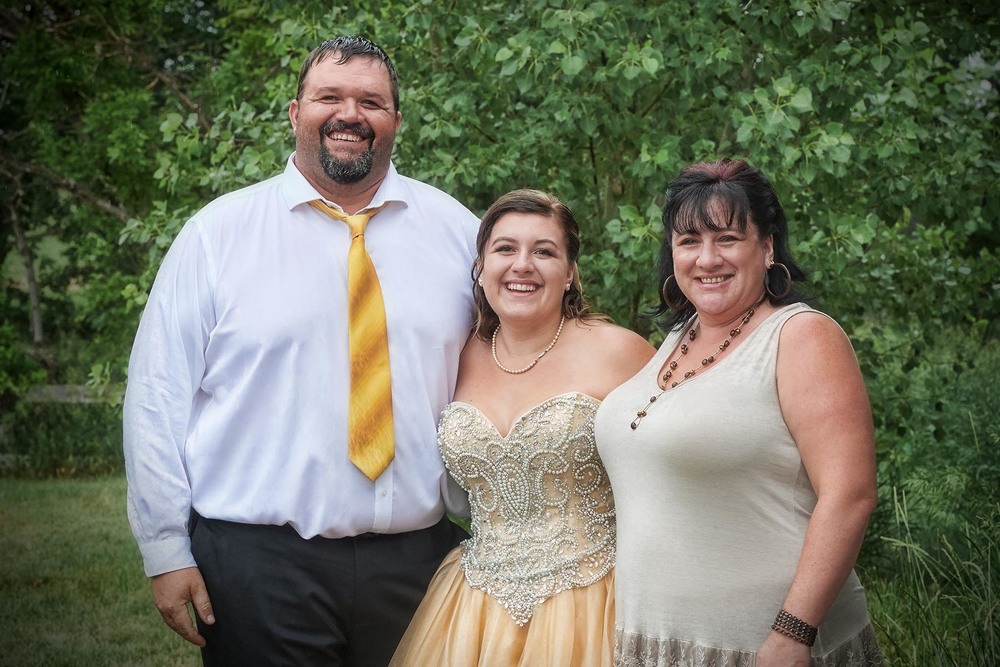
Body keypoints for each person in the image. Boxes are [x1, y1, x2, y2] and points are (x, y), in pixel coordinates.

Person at [123, 36, 479, 666]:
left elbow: (505, 364)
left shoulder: (459, 234)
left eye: (371, 101)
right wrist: (164, 548)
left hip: (420, 562)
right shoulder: (216, 236)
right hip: (258, 565)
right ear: (295, 113)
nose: (349, 114)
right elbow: (156, 396)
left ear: (395, 120)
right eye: (328, 97)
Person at [594, 158, 884, 666]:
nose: (707, 259)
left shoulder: (801, 337)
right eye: (689, 241)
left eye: (727, 238)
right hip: (656, 641)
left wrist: (793, 633)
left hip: (765, 643)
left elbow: (850, 496)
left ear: (767, 247)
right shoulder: (677, 337)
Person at [388, 189, 655, 666]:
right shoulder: (457, 354)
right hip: (473, 611)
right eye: (505, 249)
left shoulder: (619, 351)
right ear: (481, 267)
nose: (522, 265)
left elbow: (674, 468)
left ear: (569, 272)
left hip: (593, 603)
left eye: (544, 251)